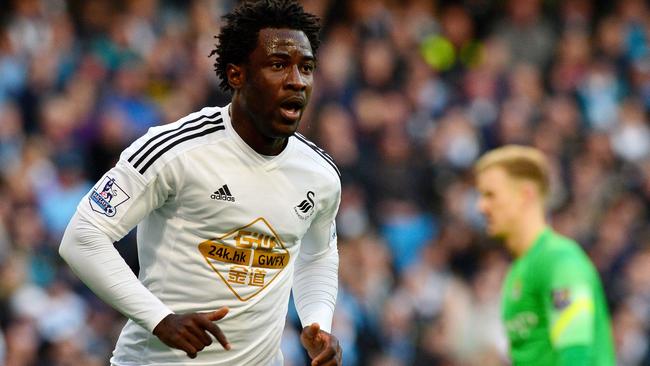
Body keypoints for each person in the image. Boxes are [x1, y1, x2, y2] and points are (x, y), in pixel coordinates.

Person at [59, 1, 342, 365]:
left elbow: (317, 254)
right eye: (277, 65)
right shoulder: (175, 151)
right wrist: (160, 319)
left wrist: (318, 321)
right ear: (237, 75)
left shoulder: (319, 174)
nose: (297, 81)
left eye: (306, 68)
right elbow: (82, 238)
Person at [474, 145, 615, 365]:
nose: (481, 207)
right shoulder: (517, 272)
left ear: (525, 195)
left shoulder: (559, 261)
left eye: (490, 195)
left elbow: (577, 357)